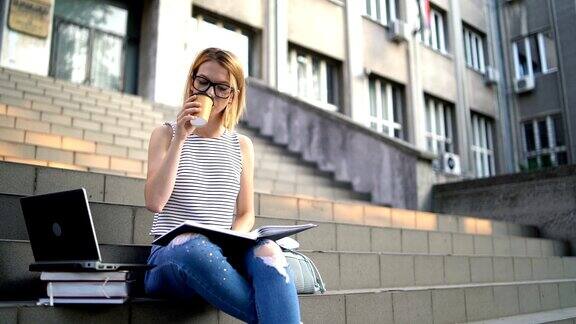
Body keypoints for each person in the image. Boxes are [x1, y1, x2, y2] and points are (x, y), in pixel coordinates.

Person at [143, 47, 302, 323]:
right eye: (202, 82)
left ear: (233, 95)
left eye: (221, 88)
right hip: (169, 257)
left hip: (221, 255)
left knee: (269, 251)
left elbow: (245, 213)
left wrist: (232, 239)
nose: (209, 94)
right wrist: (181, 138)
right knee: (194, 246)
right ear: (192, 80)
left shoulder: (241, 146)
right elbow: (155, 202)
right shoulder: (165, 134)